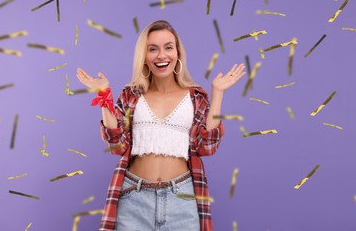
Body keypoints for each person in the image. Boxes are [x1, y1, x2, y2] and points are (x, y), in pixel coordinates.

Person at [77, 20, 245, 231]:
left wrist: (218, 93)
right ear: (144, 57)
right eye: (152, 49)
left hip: (181, 199)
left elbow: (207, 146)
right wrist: (103, 96)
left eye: (168, 47)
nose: (161, 55)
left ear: (178, 53)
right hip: (133, 198)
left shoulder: (196, 97)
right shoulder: (132, 94)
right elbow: (117, 145)